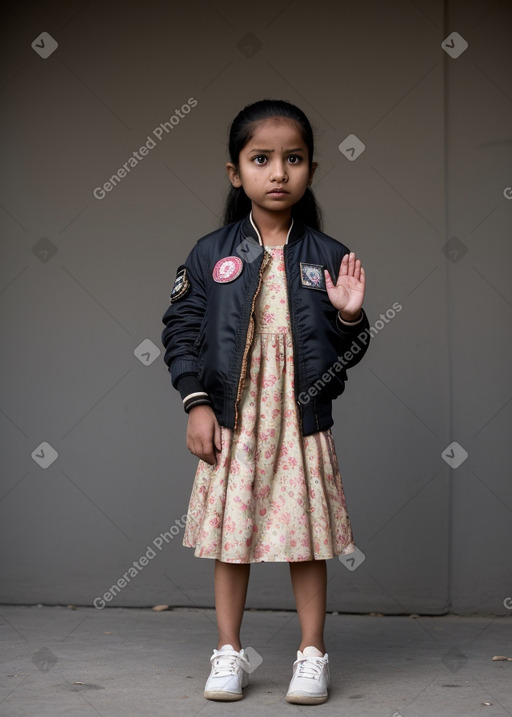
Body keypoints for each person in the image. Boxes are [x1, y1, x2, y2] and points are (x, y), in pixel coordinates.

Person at [161, 99, 370, 705]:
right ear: (236, 173)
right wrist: (196, 402)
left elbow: (346, 353)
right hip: (236, 417)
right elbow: (180, 329)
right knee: (234, 538)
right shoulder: (210, 253)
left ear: (310, 169)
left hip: (300, 419)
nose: (278, 172)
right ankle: (228, 653)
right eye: (262, 159)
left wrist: (351, 319)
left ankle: (312, 654)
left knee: (306, 540)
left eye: (294, 159)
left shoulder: (327, 255)